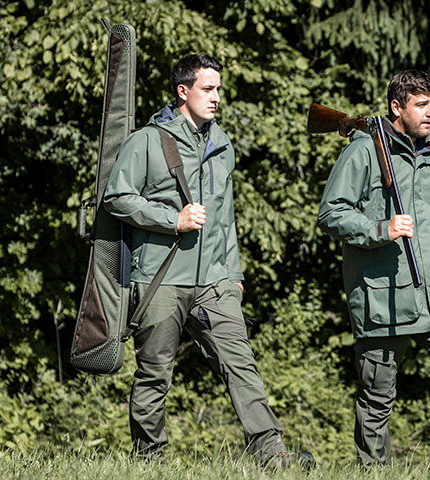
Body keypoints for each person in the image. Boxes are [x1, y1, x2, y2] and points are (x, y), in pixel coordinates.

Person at [103, 53, 302, 468]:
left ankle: (271, 452)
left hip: (214, 280)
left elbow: (225, 217)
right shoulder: (147, 141)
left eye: (218, 90)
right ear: (183, 91)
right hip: (160, 278)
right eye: (207, 89)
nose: (216, 98)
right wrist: (170, 219)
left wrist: (233, 274)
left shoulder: (221, 143)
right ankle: (149, 459)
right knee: (155, 373)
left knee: (240, 362)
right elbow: (116, 198)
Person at [317, 69, 430, 470]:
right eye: (421, 104)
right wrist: (379, 229)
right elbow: (331, 214)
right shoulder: (363, 149)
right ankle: (373, 471)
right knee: (376, 395)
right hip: (384, 296)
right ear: (396, 107)